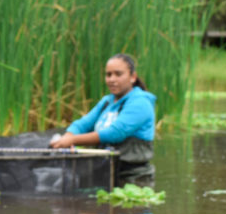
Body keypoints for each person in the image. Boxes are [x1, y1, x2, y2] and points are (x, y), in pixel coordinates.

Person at [50, 53, 156, 185]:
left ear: (132, 77)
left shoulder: (140, 103)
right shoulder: (107, 101)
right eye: (108, 74)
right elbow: (83, 124)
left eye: (118, 74)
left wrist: (73, 140)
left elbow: (115, 133)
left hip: (133, 178)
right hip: (105, 172)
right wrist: (68, 136)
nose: (112, 79)